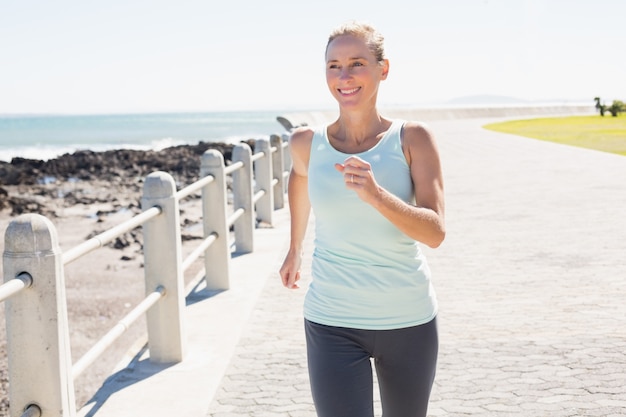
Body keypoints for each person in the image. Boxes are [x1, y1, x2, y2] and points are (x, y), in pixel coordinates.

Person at [279, 20, 445, 417]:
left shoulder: (412, 138)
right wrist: (294, 248)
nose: (344, 76)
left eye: (356, 63)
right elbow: (300, 180)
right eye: (333, 65)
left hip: (407, 319)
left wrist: (377, 196)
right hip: (331, 318)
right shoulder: (305, 142)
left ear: (382, 69)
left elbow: (435, 232)